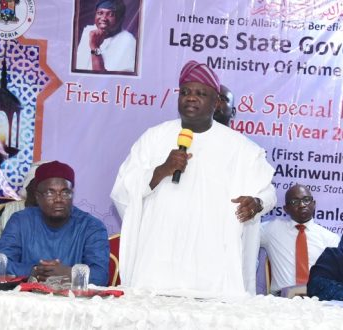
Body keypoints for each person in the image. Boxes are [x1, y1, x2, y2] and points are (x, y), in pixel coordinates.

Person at [110, 60, 276, 296]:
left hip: (212, 273)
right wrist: (160, 171)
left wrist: (257, 203)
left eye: (200, 93)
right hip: (157, 268)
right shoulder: (154, 138)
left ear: (217, 102)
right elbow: (122, 190)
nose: (191, 98)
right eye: (185, 92)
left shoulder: (240, 148)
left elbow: (268, 192)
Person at [0, 161, 109, 286]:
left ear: (72, 194)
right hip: (27, 300)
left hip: (73, 303)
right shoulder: (20, 221)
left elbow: (101, 276)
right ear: (37, 196)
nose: (58, 199)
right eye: (50, 193)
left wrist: (69, 273)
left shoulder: (92, 227)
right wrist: (34, 271)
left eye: (65, 192)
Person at [260, 184, 339, 294]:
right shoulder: (272, 229)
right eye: (295, 202)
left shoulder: (330, 239)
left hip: (317, 300)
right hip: (282, 301)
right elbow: (244, 234)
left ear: (314, 204)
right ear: (285, 209)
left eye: (306, 200)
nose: (302, 205)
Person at [75, 0, 136, 72]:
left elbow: (102, 79)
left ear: (121, 18)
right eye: (100, 13)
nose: (104, 18)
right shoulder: (89, 31)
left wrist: (95, 47)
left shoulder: (128, 41)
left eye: (111, 14)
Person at [0, 160, 48, 233]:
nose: (42, 190)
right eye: (37, 185)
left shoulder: (57, 215)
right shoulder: (3, 211)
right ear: (27, 187)